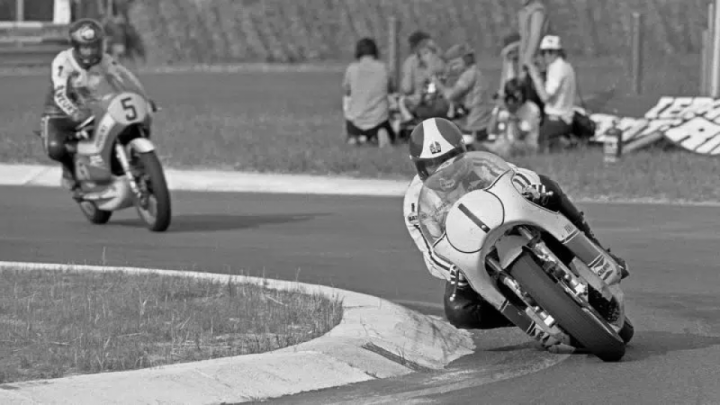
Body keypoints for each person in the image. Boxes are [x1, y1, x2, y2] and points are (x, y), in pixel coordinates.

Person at [402, 117, 629, 333]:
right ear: (420, 168)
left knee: (548, 189)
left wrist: (532, 189)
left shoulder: (479, 164)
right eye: (433, 165)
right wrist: (453, 268)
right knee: (459, 312)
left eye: (450, 158)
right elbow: (432, 252)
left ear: (463, 152)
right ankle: (528, 316)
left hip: (509, 225)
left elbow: (516, 176)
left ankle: (597, 251)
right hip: (472, 259)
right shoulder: (415, 203)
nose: (445, 170)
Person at [39, 18, 153, 197]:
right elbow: (60, 93)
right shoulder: (63, 61)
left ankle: (138, 164)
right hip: (59, 112)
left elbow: (122, 78)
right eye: (85, 47)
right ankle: (71, 174)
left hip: (90, 105)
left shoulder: (105, 60)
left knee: (126, 124)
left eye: (94, 46)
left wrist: (141, 97)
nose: (91, 51)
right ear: (76, 47)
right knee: (56, 147)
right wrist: (75, 112)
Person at [430, 44, 493, 143]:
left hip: (474, 125)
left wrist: (436, 82)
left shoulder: (469, 74)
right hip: (477, 121)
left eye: (455, 64)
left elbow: (450, 95)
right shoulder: (476, 73)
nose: (453, 68)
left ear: (466, 60)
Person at [525, 35, 576, 151]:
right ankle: (561, 140)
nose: (546, 56)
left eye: (550, 52)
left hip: (557, 119)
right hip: (565, 117)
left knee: (535, 146)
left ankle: (560, 142)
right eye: (543, 52)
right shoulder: (565, 66)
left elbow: (545, 97)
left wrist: (535, 75)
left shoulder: (556, 68)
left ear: (557, 52)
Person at [343, 37, 395, 147]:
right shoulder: (383, 67)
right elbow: (391, 89)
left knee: (348, 104)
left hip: (355, 121)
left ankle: (355, 136)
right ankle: (380, 132)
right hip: (379, 120)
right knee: (385, 123)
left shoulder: (352, 69)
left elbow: (347, 92)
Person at [484, 78, 542, 157]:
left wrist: (511, 115)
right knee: (479, 147)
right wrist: (498, 109)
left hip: (525, 145)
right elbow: (490, 130)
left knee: (508, 147)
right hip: (502, 144)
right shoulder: (503, 106)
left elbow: (520, 136)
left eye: (517, 96)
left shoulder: (531, 109)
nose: (514, 99)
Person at [398, 31, 447, 121]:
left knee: (400, 102)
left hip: (421, 106)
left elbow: (406, 88)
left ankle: (409, 122)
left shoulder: (411, 61)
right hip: (442, 104)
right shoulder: (439, 59)